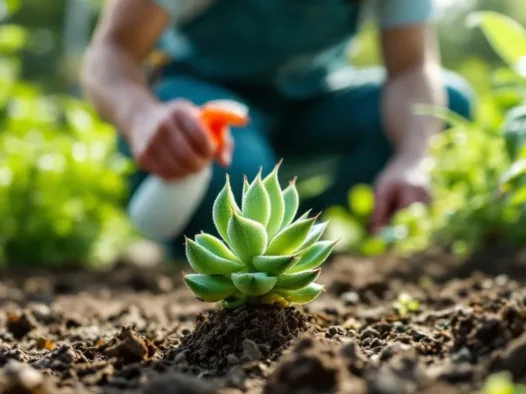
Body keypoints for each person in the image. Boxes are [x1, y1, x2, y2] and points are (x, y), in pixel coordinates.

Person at [80, 0, 474, 257]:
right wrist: (142, 117)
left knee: (448, 106)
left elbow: (411, 68)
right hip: (206, 100)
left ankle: (311, 233)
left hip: (311, 98)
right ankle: (210, 239)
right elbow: (110, 52)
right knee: (242, 181)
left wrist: (413, 157)